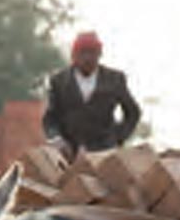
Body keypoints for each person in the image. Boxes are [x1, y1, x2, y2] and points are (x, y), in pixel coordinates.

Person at [42, 31, 141, 160]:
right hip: (69, 154)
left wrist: (118, 138)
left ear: (99, 54)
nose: (87, 58)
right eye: (82, 53)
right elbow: (50, 118)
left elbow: (133, 112)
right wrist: (57, 139)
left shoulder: (114, 80)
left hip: (104, 154)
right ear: (73, 55)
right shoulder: (59, 81)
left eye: (92, 52)